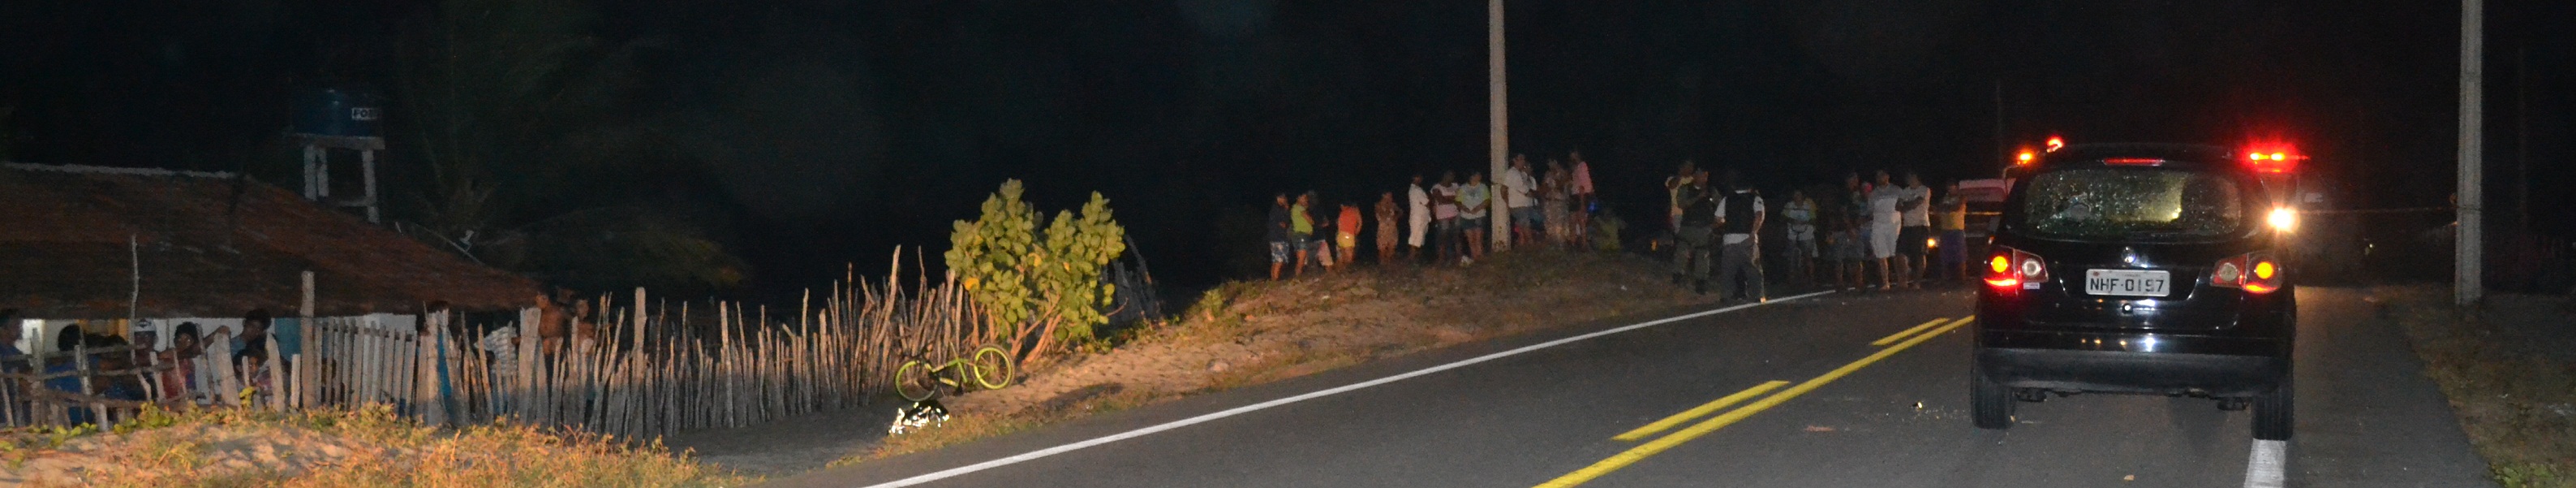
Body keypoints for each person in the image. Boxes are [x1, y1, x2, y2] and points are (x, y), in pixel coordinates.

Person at [1713, 171, 1767, 302]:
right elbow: (1759, 216)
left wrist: (1727, 222)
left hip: (1729, 239)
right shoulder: (1756, 199)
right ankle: (1758, 296)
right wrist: (1754, 232)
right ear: (1750, 188)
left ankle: (1726, 296)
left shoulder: (1727, 199)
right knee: (1753, 269)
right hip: (1746, 238)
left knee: (1728, 270)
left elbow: (1718, 218)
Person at [1671, 170, 1718, 292]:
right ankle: (1677, 278)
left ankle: (1701, 284)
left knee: (1703, 256)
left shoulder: (1711, 190)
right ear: (1695, 176)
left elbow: (1720, 204)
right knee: (1681, 253)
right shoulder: (1686, 188)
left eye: (1706, 176)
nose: (1704, 178)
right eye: (1701, 175)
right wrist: (1698, 197)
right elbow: (1681, 204)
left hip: (1704, 228)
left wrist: (1716, 222)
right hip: (1688, 226)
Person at [1868, 171, 1905, 289]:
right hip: (1879, 226)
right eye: (1878, 176)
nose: (1880, 178)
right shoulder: (1873, 194)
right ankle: (1885, 282)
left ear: (1888, 177)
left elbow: (1903, 207)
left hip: (1894, 226)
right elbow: (1870, 211)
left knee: (1896, 254)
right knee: (1881, 255)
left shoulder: (1897, 190)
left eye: (1882, 176)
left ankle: (1901, 281)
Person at [1897, 171, 1933, 288]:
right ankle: (1904, 281)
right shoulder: (1905, 191)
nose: (1908, 179)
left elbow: (1916, 203)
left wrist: (1906, 205)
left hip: (1921, 225)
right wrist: (1907, 205)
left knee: (1920, 254)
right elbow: (1898, 206)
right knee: (1900, 252)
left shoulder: (1924, 190)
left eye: (1911, 176)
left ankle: (1917, 282)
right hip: (1907, 226)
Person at [1933, 180, 1971, 282]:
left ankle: (1962, 278)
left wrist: (1946, 208)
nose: (1950, 190)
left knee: (1960, 255)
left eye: (1952, 188)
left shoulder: (1962, 197)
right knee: (1945, 256)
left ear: (1957, 188)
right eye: (1949, 188)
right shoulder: (1944, 198)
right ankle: (1945, 278)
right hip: (1945, 230)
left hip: (1957, 230)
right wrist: (1947, 208)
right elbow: (1938, 208)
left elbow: (1957, 207)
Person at [1781, 189, 1819, 287]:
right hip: (1792, 233)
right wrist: (1792, 220)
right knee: (1791, 257)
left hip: (1806, 233)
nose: (1797, 198)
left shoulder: (1808, 206)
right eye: (1795, 196)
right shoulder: (1789, 206)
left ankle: (1811, 278)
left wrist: (1804, 222)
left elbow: (1814, 219)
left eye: (1799, 195)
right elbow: (1783, 217)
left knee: (1808, 256)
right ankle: (1791, 279)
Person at [1502, 154, 1542, 246]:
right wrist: (1508, 203)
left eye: (1523, 159)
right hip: (1518, 206)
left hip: (1527, 205)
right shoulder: (1512, 173)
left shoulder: (1522, 174)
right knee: (1526, 226)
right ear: (1514, 161)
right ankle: (1531, 246)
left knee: (1530, 224)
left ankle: (1524, 248)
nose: (1523, 161)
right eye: (1520, 159)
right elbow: (1503, 189)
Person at [1460, 172, 1494, 261]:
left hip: (1479, 215)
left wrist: (1478, 208)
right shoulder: (1463, 188)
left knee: (1479, 239)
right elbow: (1458, 201)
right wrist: (1465, 208)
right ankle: (1475, 258)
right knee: (1471, 240)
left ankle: (1480, 258)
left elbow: (1487, 200)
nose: (1480, 176)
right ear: (1472, 176)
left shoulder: (1483, 187)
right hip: (1466, 217)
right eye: (1478, 175)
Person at [1541, 158, 1572, 246]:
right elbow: (1544, 188)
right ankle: (1552, 243)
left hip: (1560, 202)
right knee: (1549, 224)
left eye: (1551, 162)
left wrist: (1557, 179)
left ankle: (1562, 244)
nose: (1550, 165)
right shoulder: (1548, 174)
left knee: (1560, 224)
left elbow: (1562, 188)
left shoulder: (1564, 174)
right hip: (1549, 202)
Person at [1432, 172, 1463, 261]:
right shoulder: (1436, 187)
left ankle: (1458, 258)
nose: (1452, 177)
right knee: (1443, 238)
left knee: (1457, 237)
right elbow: (1441, 200)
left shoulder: (1455, 185)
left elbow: (1460, 198)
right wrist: (1454, 198)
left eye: (1452, 176)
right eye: (1449, 176)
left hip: (1455, 214)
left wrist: (1448, 198)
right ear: (1444, 176)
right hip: (1443, 216)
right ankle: (1441, 259)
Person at [1568, 151, 1596, 248]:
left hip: (1581, 195)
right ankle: (1573, 243)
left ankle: (1583, 244)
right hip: (1576, 195)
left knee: (1581, 221)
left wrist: (1582, 202)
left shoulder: (1582, 166)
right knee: (1573, 221)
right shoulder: (1576, 168)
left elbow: (1582, 186)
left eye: (1574, 155)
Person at [1665, 160, 1700, 231]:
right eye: (1688, 166)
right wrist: (1680, 175)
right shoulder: (1672, 179)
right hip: (1676, 213)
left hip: (1691, 213)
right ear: (1681, 167)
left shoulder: (1693, 179)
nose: (1691, 169)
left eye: (1692, 166)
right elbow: (1672, 186)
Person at [1290, 192, 1319, 278]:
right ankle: (1297, 277)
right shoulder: (1299, 208)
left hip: (1298, 235)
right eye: (1304, 198)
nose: (1306, 200)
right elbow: (1310, 220)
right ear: (1298, 198)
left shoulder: (1295, 208)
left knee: (1300, 258)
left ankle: (1297, 276)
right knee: (1302, 259)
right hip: (1302, 235)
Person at [1267, 193, 1294, 280]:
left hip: (1274, 238)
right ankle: (1275, 279)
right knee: (1280, 260)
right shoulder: (1277, 210)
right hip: (1279, 237)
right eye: (1284, 198)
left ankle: (1273, 279)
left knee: (1276, 260)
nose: (1285, 200)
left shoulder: (1274, 209)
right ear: (1279, 198)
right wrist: (1286, 212)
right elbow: (1283, 224)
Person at [1406, 175, 1431, 260]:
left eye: (1420, 177)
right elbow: (1426, 202)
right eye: (1418, 177)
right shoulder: (1416, 190)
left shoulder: (1418, 189)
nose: (1420, 179)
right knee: (1415, 238)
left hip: (1422, 216)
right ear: (1413, 178)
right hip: (1418, 217)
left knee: (1420, 238)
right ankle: (1411, 258)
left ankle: (1416, 259)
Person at [1376, 192, 1403, 265]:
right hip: (1383, 229)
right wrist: (1388, 206)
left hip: (1392, 228)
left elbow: (1401, 212)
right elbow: (1381, 215)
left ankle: (1389, 264)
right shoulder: (1379, 205)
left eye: (1391, 195)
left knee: (1392, 246)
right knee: (1382, 248)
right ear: (1383, 195)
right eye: (1389, 195)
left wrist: (1396, 218)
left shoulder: (1393, 205)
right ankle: (1382, 265)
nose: (1391, 197)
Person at [1335, 201, 1363, 267]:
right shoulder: (1354, 210)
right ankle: (1345, 273)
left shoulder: (1342, 213)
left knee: (1341, 257)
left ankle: (1337, 273)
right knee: (1349, 258)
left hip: (1340, 236)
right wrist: (1355, 234)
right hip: (1348, 235)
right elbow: (1360, 223)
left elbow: (1339, 225)